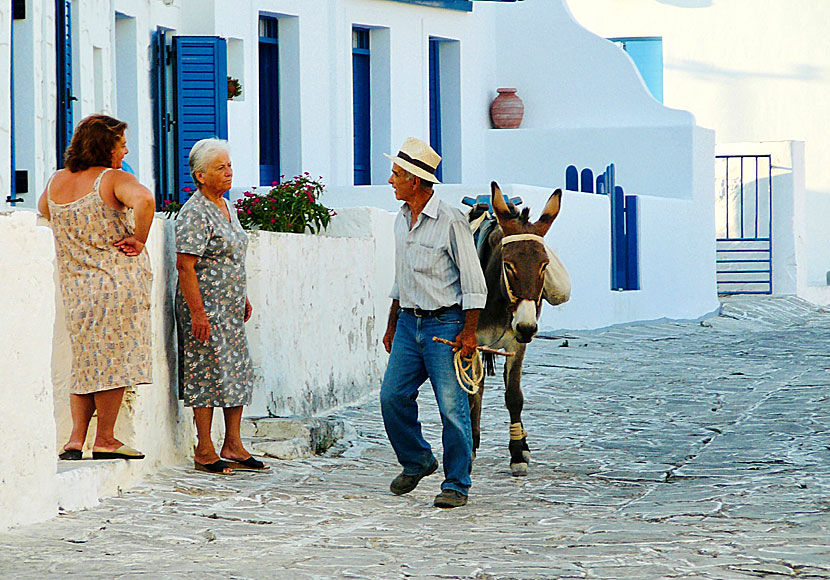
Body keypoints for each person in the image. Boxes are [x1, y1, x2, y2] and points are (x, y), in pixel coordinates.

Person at [38, 114, 154, 461]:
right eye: (121, 144)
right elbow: (145, 200)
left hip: (77, 289)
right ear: (107, 147)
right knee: (113, 363)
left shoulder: (58, 181)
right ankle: (105, 438)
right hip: (115, 284)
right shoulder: (112, 179)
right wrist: (139, 238)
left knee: (86, 363)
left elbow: (44, 211)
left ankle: (75, 439)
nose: (126, 150)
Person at [380, 137, 487, 508]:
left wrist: (469, 332)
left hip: (445, 325)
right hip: (410, 324)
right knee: (392, 398)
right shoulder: (400, 219)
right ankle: (418, 460)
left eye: (396, 174)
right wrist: (392, 324)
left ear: (415, 180)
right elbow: (401, 278)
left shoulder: (452, 221)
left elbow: (474, 283)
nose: (390, 180)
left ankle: (457, 483)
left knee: (452, 409)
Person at [174, 138, 267, 475]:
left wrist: (241, 296)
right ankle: (205, 448)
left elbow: (230, 256)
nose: (228, 172)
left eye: (228, 166)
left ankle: (233, 444)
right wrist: (197, 313)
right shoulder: (195, 212)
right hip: (205, 306)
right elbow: (185, 266)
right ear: (200, 175)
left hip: (229, 306)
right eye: (220, 168)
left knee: (237, 369)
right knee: (206, 371)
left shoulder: (228, 207)